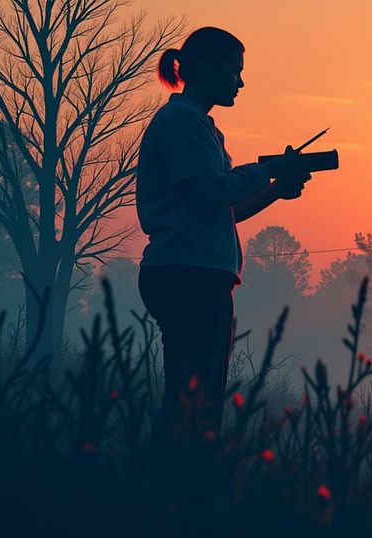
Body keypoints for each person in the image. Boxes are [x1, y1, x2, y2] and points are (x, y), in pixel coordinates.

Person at [136, 27, 311, 440]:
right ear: (207, 69)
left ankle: (171, 480)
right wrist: (265, 169)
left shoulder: (195, 124)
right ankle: (180, 483)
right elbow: (206, 194)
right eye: (234, 71)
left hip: (191, 273)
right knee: (195, 400)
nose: (241, 82)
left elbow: (219, 210)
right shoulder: (183, 122)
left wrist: (275, 191)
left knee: (194, 393)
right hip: (189, 276)